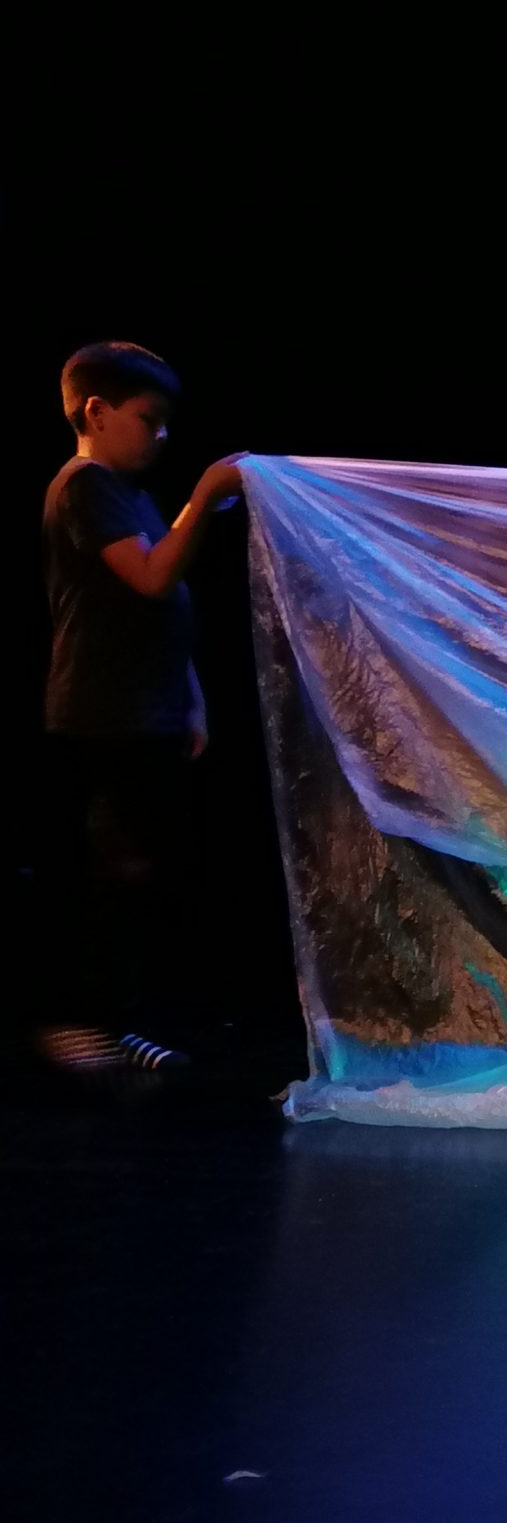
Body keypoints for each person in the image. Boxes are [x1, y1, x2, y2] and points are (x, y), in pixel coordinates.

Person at [37, 341, 246, 1079]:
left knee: (141, 875)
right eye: (148, 419)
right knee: (108, 873)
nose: (161, 435)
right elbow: (153, 577)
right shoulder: (85, 486)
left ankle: (119, 1022)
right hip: (104, 712)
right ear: (96, 411)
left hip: (148, 708)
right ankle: (74, 1023)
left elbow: (164, 607)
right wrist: (207, 494)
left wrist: (192, 697)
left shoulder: (131, 494)